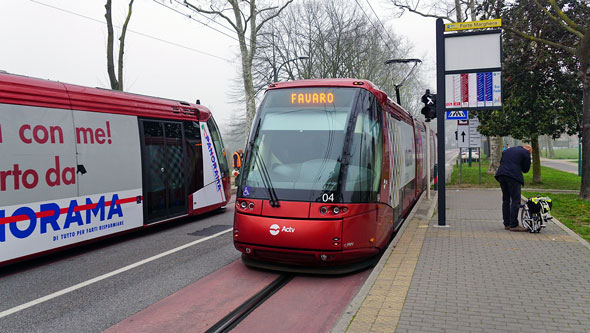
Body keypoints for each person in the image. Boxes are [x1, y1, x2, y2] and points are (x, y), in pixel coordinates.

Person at [495, 145, 533, 231]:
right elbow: (526, 169)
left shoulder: (507, 150)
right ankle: (514, 225)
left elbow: (503, 162)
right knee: (516, 200)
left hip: (501, 175)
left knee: (506, 199)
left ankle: (507, 223)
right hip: (513, 176)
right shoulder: (526, 152)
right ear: (529, 150)